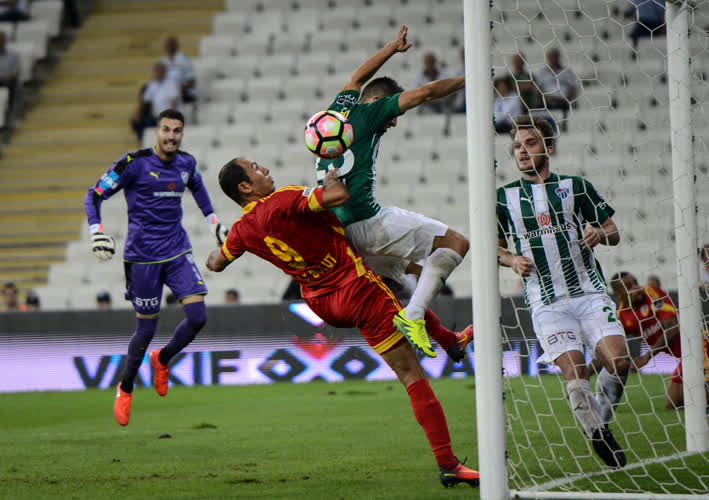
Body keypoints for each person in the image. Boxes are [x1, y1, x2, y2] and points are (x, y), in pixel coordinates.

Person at [206, 157, 480, 489]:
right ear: (245, 187)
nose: (265, 170)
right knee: (411, 373)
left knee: (391, 275)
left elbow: (215, 264)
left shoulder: (240, 232)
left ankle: (450, 340)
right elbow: (337, 196)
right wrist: (331, 177)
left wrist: (224, 242)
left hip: (322, 302)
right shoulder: (282, 199)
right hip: (355, 289)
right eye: (256, 168)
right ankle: (448, 463)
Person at [315, 25, 472, 361]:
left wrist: (390, 48)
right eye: (393, 115)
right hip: (367, 222)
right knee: (456, 244)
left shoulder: (336, 111)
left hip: (340, 234)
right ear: (378, 102)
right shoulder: (371, 113)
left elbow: (357, 77)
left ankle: (448, 340)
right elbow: (426, 92)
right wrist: (469, 79)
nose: (395, 122)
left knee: (408, 276)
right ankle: (412, 318)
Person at [496, 115, 629, 468]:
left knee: (619, 362)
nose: (522, 151)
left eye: (531, 143)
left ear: (549, 148)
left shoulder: (576, 187)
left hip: (589, 292)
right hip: (546, 300)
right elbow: (494, 248)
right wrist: (511, 260)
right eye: (517, 146)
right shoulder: (503, 198)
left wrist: (600, 233)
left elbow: (613, 231)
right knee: (576, 369)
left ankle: (599, 418)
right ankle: (597, 434)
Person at [84, 108, 229, 426]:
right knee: (146, 330)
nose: (171, 136)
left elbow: (199, 190)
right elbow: (94, 195)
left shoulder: (186, 163)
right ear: (157, 132)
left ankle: (162, 359)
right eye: (166, 130)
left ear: (181, 134)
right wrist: (97, 231)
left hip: (177, 252)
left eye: (177, 131)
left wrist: (215, 224)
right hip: (142, 259)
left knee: (198, 316)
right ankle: (125, 388)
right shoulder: (133, 164)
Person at [609, 271, 709, 409]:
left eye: (636, 282)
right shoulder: (622, 316)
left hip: (701, 346)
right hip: (686, 357)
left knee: (701, 403)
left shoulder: (651, 293)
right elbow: (611, 344)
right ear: (618, 294)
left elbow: (672, 328)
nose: (636, 287)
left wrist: (647, 357)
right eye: (629, 286)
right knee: (672, 403)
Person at [131, 62, 180, 142]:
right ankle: (143, 142)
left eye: (159, 71)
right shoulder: (153, 84)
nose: (157, 73)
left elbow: (174, 102)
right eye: (156, 71)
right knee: (137, 122)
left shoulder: (171, 83)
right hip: (157, 117)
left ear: (164, 72)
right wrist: (138, 113)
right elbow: (144, 101)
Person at [535, 48, 578, 131]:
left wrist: (567, 98)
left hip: (562, 101)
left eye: (555, 56)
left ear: (559, 57)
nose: (553, 59)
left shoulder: (566, 71)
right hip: (547, 100)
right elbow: (539, 89)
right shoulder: (543, 73)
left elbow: (572, 88)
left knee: (566, 108)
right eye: (551, 57)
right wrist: (546, 97)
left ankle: (564, 128)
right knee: (538, 107)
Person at [160, 36, 197, 104]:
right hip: (166, 90)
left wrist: (179, 87)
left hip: (182, 90)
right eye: (167, 45)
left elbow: (192, 81)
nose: (169, 47)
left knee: (173, 92)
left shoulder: (184, 60)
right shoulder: (163, 61)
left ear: (176, 46)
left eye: (171, 44)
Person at [0, 31, 20, 122]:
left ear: (5, 41)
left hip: (8, 80)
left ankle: (9, 110)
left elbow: (15, 72)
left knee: (12, 83)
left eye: (2, 41)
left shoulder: (13, 55)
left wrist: (6, 78)